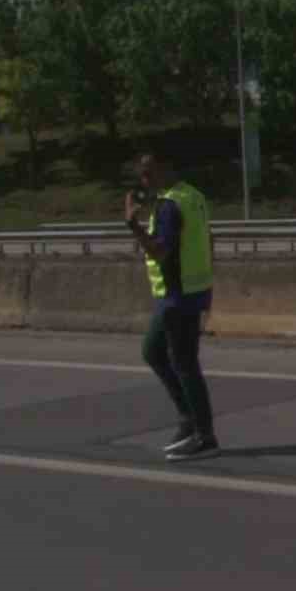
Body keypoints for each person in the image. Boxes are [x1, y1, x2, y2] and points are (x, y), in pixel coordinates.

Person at [125, 152, 218, 462]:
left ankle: (204, 435)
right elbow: (207, 239)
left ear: (167, 169)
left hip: (178, 295)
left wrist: (134, 227)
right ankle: (188, 420)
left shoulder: (169, 206)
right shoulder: (194, 196)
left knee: (184, 363)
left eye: (150, 174)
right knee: (154, 351)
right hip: (190, 291)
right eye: (142, 175)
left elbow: (162, 252)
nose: (145, 181)